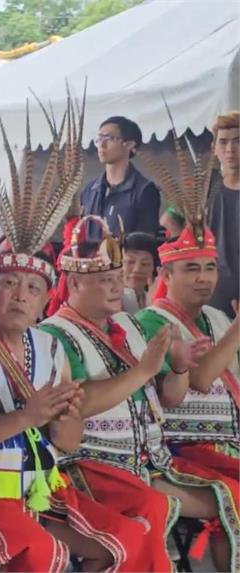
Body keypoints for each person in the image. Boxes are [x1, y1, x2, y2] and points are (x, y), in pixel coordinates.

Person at [0, 102, 157, 572]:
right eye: (8, 284)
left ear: (44, 298)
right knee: (48, 553)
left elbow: (67, 442)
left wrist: (66, 416)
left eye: (33, 288)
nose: (19, 296)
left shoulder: (47, 347)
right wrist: (28, 415)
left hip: (39, 487)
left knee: (127, 540)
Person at [38, 216, 230, 571]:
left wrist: (179, 367)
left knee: (229, 493)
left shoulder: (127, 324)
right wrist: (143, 370)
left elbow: (169, 399)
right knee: (150, 511)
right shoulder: (54, 334)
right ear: (75, 282)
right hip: (92, 464)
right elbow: (78, 404)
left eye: (116, 278)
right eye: (104, 280)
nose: (116, 286)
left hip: (152, 461)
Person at [135, 224, 239, 571]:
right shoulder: (150, 322)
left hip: (228, 443)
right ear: (166, 273)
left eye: (210, 267)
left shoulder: (217, 318)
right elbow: (202, 378)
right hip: (181, 449)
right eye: (191, 268)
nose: (204, 278)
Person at [80, 116, 161, 236]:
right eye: (99, 138)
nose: (101, 145)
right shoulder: (90, 190)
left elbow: (144, 244)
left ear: (129, 144)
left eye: (109, 138)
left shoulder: (144, 190)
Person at [207, 111, 240, 318]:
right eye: (224, 142)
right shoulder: (206, 190)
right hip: (214, 293)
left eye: (238, 141)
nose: (230, 149)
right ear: (214, 148)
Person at [120, 231, 159, 313]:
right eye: (130, 262)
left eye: (145, 264)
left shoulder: (155, 298)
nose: (137, 269)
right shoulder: (111, 301)